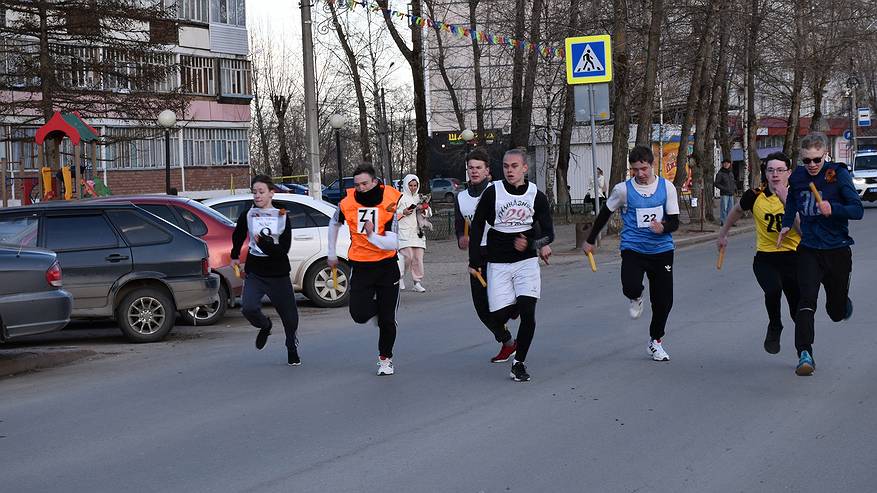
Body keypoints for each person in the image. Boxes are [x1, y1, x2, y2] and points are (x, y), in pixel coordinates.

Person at [777, 132, 863, 376]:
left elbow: (857, 210)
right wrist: (786, 223)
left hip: (837, 250)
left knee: (835, 313)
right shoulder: (800, 176)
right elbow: (792, 200)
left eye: (816, 159)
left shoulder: (838, 174)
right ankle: (805, 354)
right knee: (806, 301)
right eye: (807, 160)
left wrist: (832, 208)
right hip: (809, 249)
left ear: (825, 154)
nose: (812, 165)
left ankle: (841, 304)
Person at [583, 145, 680, 361]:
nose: (640, 174)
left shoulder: (667, 188)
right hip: (633, 248)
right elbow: (604, 214)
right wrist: (590, 240)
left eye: (643, 169)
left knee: (664, 301)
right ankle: (635, 296)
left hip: (662, 250)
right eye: (635, 169)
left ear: (652, 165)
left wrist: (663, 227)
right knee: (630, 285)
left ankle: (655, 341)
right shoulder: (623, 190)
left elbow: (674, 221)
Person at [469, 148, 554, 382]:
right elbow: (476, 228)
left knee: (529, 314)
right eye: (506, 166)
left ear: (525, 168)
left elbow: (549, 235)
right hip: (497, 262)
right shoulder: (492, 193)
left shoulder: (536, 196)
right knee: (498, 314)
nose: (509, 170)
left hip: (526, 262)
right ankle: (513, 306)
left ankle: (519, 363)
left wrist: (531, 244)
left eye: (514, 166)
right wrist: (474, 261)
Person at [717, 152, 801, 355]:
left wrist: (785, 201)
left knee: (797, 309)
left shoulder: (799, 194)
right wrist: (723, 234)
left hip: (794, 257)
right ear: (765, 172)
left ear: (788, 173)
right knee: (772, 290)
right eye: (770, 170)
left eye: (780, 170)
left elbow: (804, 230)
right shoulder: (755, 195)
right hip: (766, 257)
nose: (775, 174)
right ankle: (775, 325)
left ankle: (804, 351)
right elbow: (737, 210)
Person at [327, 164, 403, 376]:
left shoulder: (390, 202)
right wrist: (331, 253)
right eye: (357, 184)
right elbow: (333, 224)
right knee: (359, 315)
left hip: (386, 266)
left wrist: (372, 237)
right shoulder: (347, 203)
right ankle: (379, 310)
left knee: (387, 320)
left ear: (375, 182)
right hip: (360, 266)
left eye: (365, 184)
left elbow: (393, 242)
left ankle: (385, 359)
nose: (361, 188)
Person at [230, 175, 300, 365]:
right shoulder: (248, 214)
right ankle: (265, 325)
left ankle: (291, 345)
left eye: (261, 192)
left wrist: (266, 243)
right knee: (248, 308)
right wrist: (235, 255)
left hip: (278, 271)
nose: (257, 196)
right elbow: (238, 234)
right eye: (254, 192)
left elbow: (283, 249)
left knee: (290, 317)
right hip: (256, 270)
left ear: (271, 193)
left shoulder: (282, 215)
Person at [455, 148, 516, 363]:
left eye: (478, 167)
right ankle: (508, 343)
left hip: (499, 251)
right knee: (482, 308)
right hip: (477, 255)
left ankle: (514, 307)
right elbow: (460, 228)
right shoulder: (461, 198)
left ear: (487, 170)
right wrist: (461, 240)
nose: (474, 171)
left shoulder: (498, 191)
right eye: (470, 168)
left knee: (501, 302)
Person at [396, 173, 432, 292]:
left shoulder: (420, 197)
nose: (413, 188)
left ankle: (417, 282)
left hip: (418, 232)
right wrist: (403, 213)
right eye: (410, 185)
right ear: (406, 185)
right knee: (407, 256)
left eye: (415, 185)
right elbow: (391, 214)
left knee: (418, 258)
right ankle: (400, 277)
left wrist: (423, 210)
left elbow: (429, 213)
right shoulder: (399, 197)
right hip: (404, 232)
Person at [715, 158, 737, 225]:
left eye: (728, 163)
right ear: (722, 164)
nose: (726, 164)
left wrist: (735, 188)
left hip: (731, 193)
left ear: (729, 164)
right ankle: (723, 221)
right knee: (724, 208)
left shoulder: (730, 173)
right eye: (725, 163)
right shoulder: (720, 173)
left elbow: (733, 182)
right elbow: (716, 183)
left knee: (731, 209)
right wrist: (724, 188)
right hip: (724, 193)